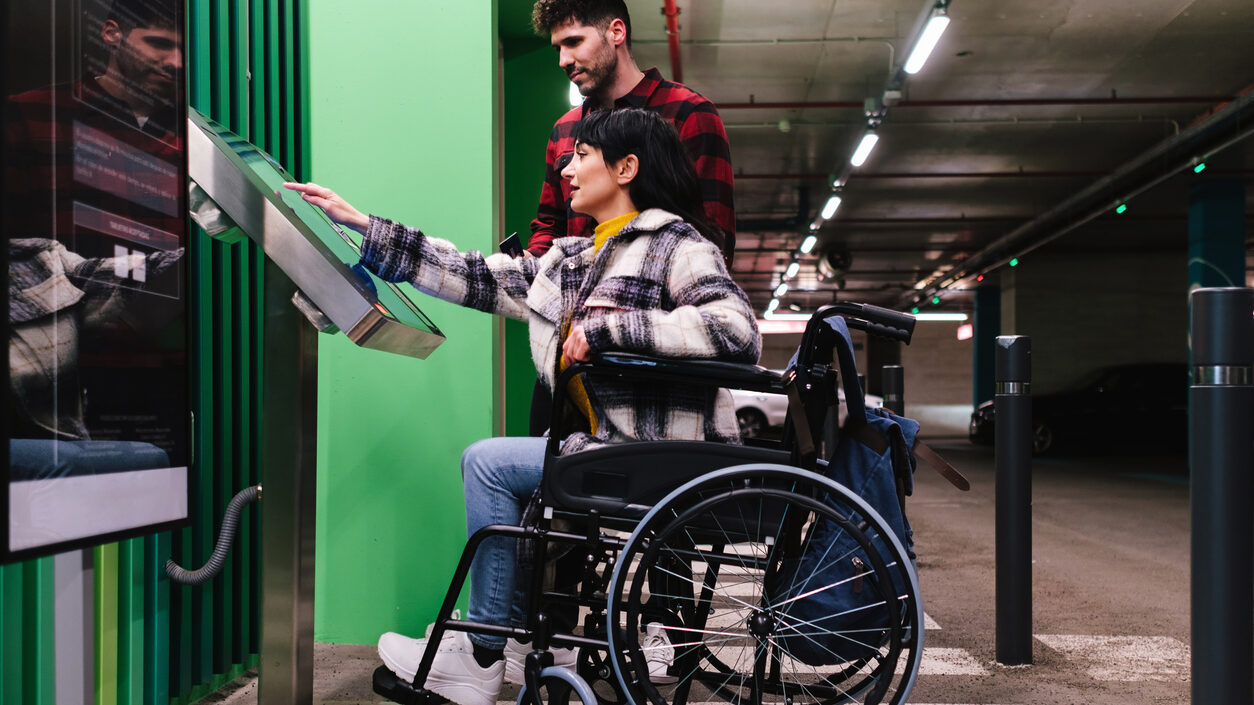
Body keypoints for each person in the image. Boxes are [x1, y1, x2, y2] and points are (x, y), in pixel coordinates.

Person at [285, 108, 760, 705]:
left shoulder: (677, 245)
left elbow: (735, 328)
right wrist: (361, 223)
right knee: (503, 464)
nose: (567, 167)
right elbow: (476, 274)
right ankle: (499, 641)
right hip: (613, 454)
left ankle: (483, 652)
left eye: (582, 155)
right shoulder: (578, 260)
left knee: (487, 462)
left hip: (661, 458)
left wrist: (616, 329)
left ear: (626, 168)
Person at [525, 0, 737, 436]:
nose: (564, 60)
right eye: (557, 49)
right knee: (542, 488)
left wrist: (630, 325)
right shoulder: (565, 131)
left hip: (651, 363)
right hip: (569, 357)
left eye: (574, 42)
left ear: (616, 32)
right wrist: (534, 281)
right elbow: (548, 228)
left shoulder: (688, 114)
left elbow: (713, 240)